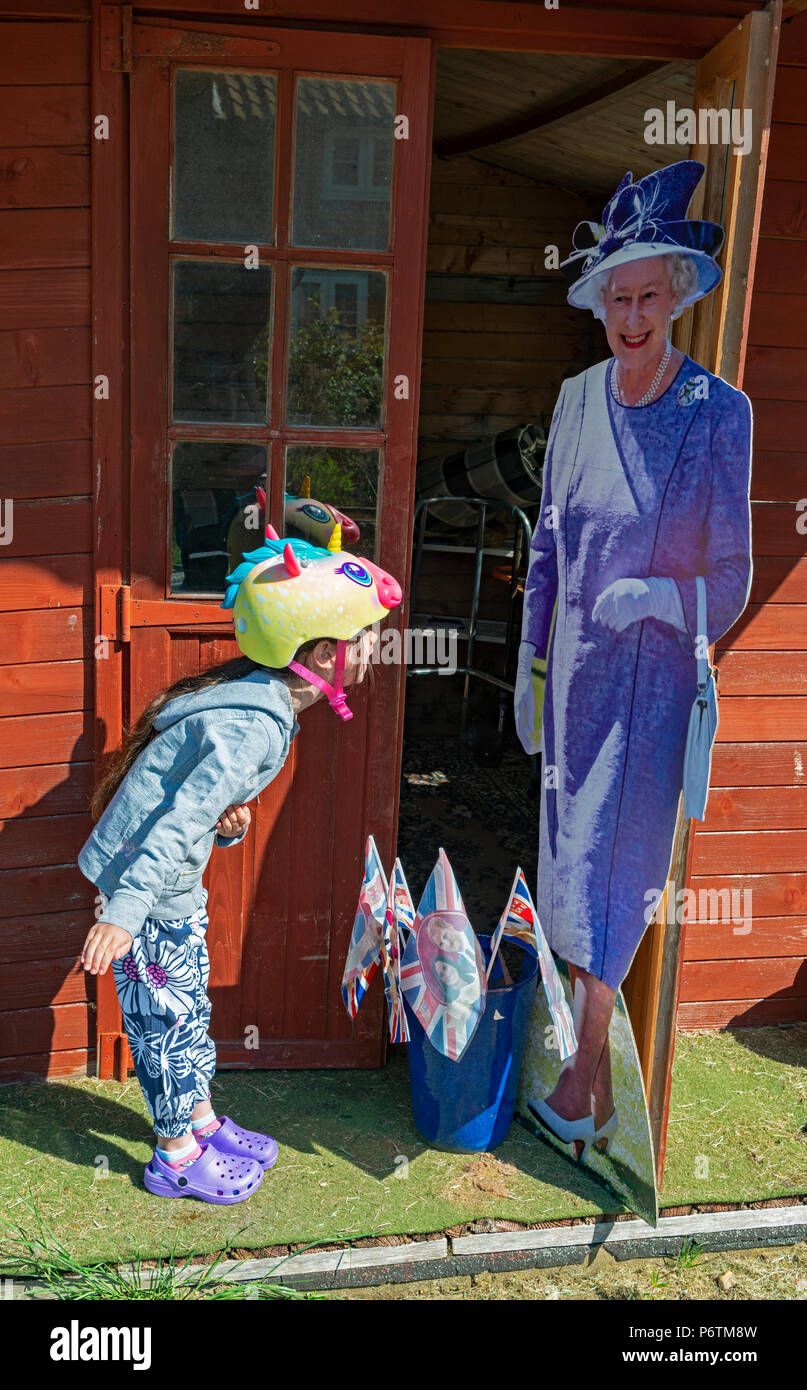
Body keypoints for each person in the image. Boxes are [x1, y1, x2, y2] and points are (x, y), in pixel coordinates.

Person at [514, 160, 753, 1161]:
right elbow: (548, 545)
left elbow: (735, 574)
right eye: (618, 295)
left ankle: (587, 1086)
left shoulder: (716, 412)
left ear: (683, 296)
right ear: (599, 302)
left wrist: (664, 598)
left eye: (652, 293)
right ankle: (574, 1076)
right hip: (571, 682)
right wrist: (530, 663)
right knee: (570, 873)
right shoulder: (573, 403)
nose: (634, 312)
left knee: (621, 880)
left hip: (650, 697)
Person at [78, 525, 402, 1203]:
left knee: (186, 1010)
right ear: (322, 654)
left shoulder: (265, 702)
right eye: (366, 638)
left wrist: (227, 826)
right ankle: (173, 1157)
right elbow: (175, 820)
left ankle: (199, 1120)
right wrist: (126, 913)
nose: (376, 647)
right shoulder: (253, 721)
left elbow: (196, 804)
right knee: (163, 1026)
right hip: (146, 883)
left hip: (168, 877)